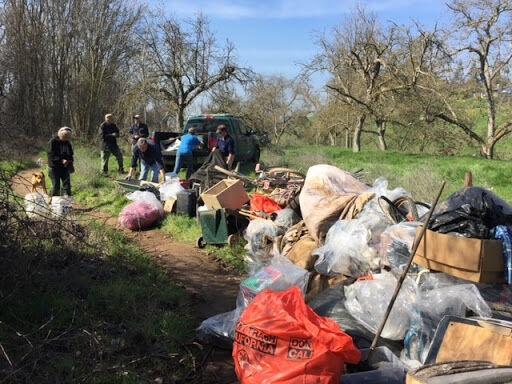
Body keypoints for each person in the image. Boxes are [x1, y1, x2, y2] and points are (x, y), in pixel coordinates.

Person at [47, 126, 74, 196]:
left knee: (67, 186)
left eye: (67, 138)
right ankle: (53, 202)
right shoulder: (52, 142)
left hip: (65, 167)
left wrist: (70, 161)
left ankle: (67, 203)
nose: (65, 140)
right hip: (54, 168)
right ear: (60, 135)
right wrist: (61, 160)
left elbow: (71, 154)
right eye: (64, 138)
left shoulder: (68, 143)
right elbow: (51, 155)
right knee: (56, 186)